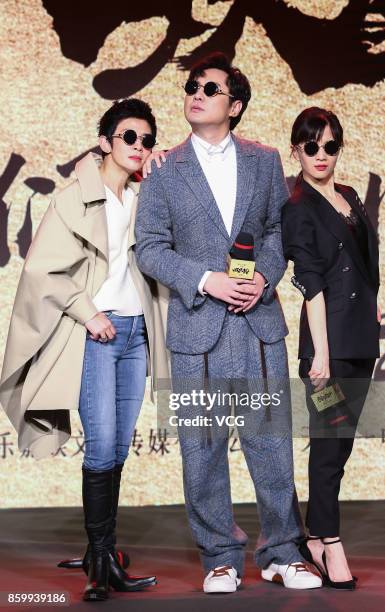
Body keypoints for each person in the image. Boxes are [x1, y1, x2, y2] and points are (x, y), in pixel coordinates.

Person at [135, 52, 321, 593]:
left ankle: (284, 553)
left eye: (210, 89)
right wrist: (204, 280)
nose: (196, 93)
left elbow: (274, 233)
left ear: (234, 105)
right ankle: (219, 555)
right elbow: (149, 248)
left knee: (271, 444)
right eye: (192, 86)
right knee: (202, 446)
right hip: (198, 328)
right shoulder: (165, 169)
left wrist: (264, 277)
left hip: (258, 324)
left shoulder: (264, 161)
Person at [0, 98, 169, 602]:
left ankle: (105, 548)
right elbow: (42, 269)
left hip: (137, 333)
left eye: (146, 139)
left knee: (118, 447)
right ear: (105, 142)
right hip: (99, 335)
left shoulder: (143, 197)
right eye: (129, 138)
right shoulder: (75, 196)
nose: (139, 147)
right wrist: (87, 312)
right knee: (100, 445)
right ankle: (100, 563)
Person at [281, 107, 380, 590]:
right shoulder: (297, 206)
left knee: (341, 449)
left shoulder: (348, 196)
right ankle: (328, 541)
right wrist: (319, 355)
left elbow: (363, 262)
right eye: (310, 146)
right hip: (326, 350)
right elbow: (312, 286)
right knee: (328, 445)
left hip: (362, 338)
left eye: (329, 145)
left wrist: (375, 307)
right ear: (295, 150)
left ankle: (317, 533)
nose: (321, 155)